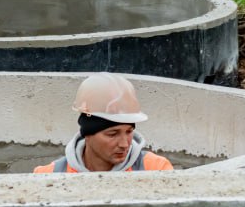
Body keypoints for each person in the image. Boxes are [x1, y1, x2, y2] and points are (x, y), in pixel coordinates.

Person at [33, 73, 173, 173]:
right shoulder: (48, 176)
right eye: (113, 134)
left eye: (129, 131)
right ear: (88, 133)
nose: (124, 144)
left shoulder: (156, 169)